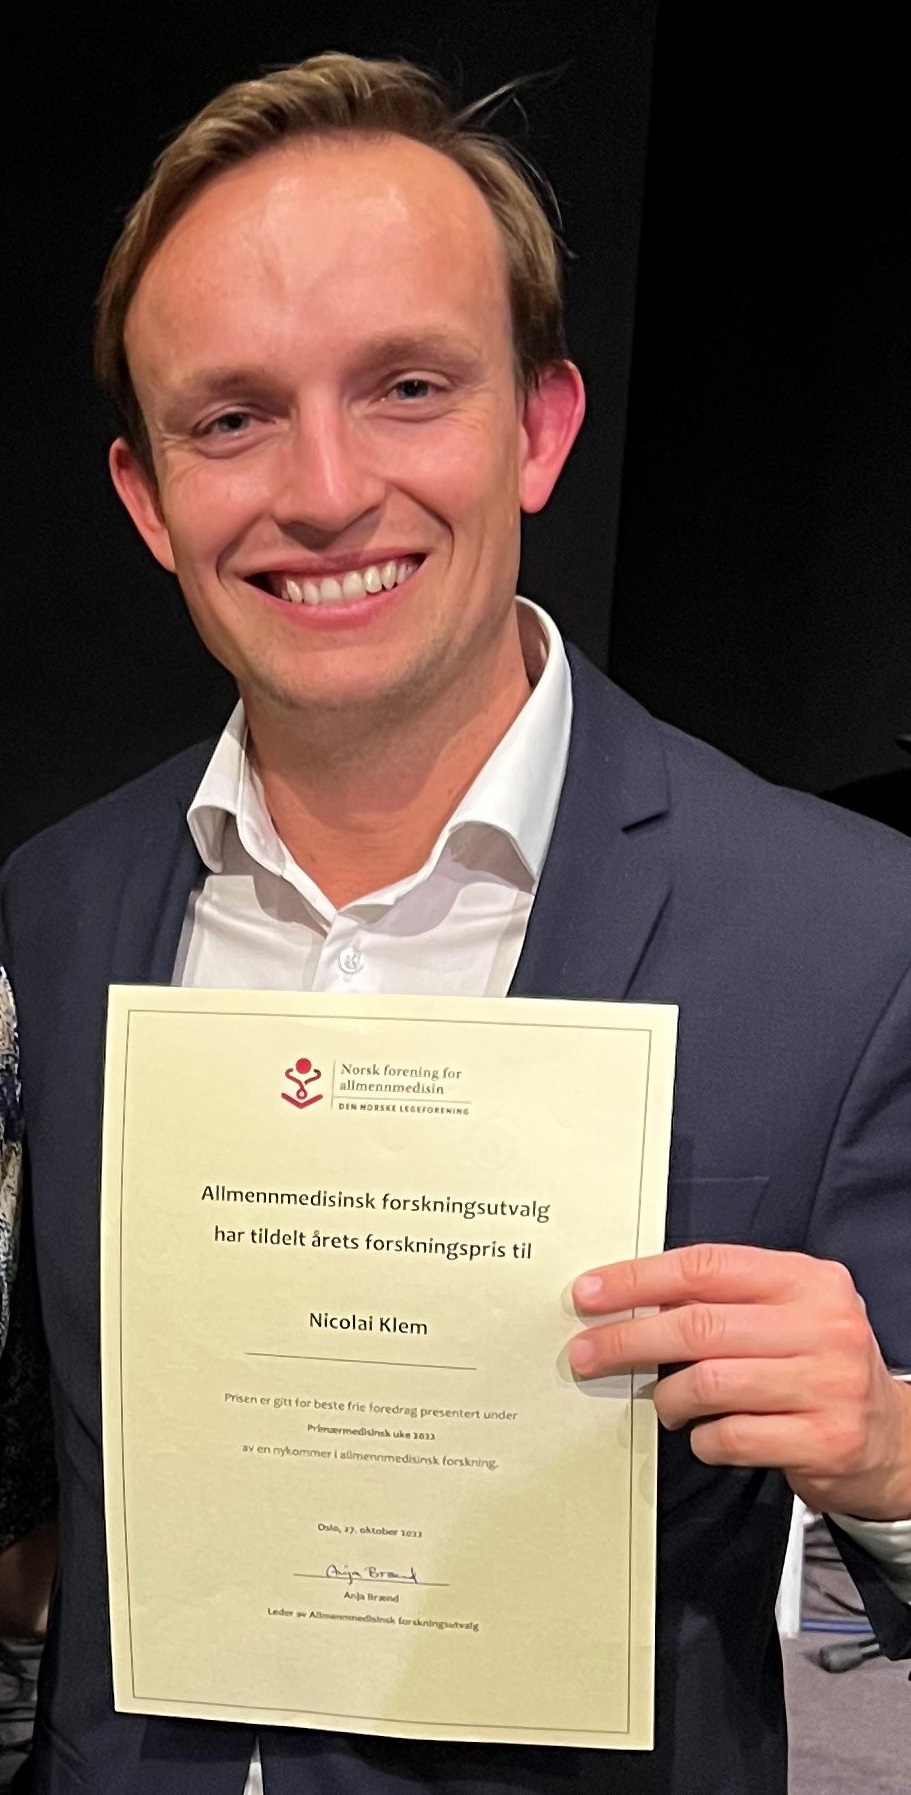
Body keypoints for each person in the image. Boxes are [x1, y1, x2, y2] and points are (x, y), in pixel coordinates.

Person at [1, 50, 909, 1795]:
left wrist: (889, 1452)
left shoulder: (852, 937)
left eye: (408, 385)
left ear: (539, 427)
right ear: (146, 498)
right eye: (233, 416)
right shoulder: (56, 907)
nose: (326, 488)